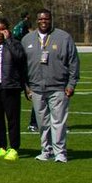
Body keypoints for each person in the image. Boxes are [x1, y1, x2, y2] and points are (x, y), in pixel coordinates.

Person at [22, 9, 80, 163]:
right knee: (42, 122)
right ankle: (45, 150)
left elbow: (73, 62)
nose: (43, 22)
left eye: (46, 19)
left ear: (51, 20)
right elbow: (22, 67)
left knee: (58, 121)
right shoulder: (27, 39)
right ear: (36, 20)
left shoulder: (63, 37)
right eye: (41, 19)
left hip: (58, 87)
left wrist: (71, 84)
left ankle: (60, 152)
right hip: (36, 88)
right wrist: (26, 88)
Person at [0, 17, 27, 161]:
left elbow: (20, 57)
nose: (0, 32)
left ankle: (14, 148)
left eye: (3, 29)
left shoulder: (15, 43)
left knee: (12, 119)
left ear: (7, 30)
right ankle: (1, 147)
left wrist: (9, 40)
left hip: (10, 86)